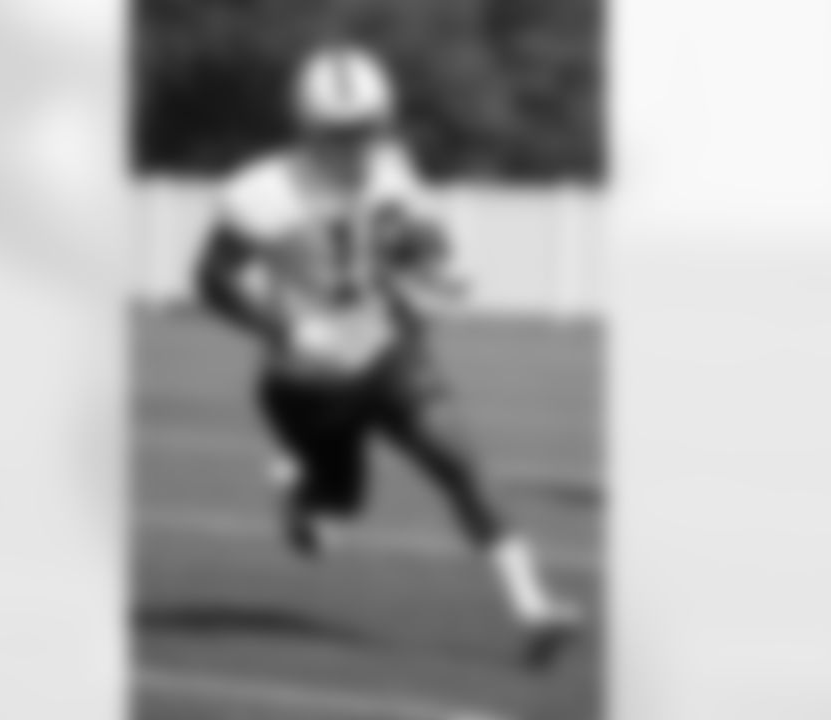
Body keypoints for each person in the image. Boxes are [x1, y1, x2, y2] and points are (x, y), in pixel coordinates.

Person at [193, 42, 580, 667]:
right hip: (306, 380)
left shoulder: (393, 168)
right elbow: (210, 280)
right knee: (329, 522)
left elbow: (420, 244)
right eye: (340, 131)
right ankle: (297, 492)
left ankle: (534, 610)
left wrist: (437, 270)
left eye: (368, 127)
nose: (357, 144)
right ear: (306, 128)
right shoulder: (260, 191)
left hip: (386, 353)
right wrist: (285, 330)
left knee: (460, 465)